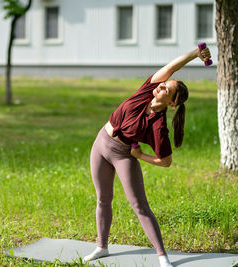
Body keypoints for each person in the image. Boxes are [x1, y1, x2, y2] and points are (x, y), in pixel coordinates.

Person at [83, 47, 211, 267]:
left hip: (123, 155)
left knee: (140, 206)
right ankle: (102, 247)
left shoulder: (158, 127)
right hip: (100, 144)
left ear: (171, 104)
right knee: (103, 198)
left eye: (165, 89)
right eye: (163, 83)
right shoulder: (147, 89)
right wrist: (194, 55)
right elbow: (171, 68)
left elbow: (166, 161)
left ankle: (162, 257)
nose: (161, 85)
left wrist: (140, 155)